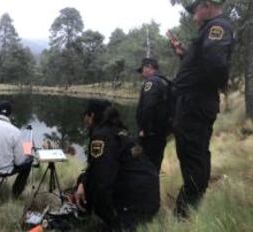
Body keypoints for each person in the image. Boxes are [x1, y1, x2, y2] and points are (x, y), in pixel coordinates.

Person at [169, 0, 234, 217]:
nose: (193, 15)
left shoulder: (218, 26)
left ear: (207, 6)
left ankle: (186, 212)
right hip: (194, 102)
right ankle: (192, 203)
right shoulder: (208, 29)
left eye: (195, 10)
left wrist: (213, 86)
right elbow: (203, 61)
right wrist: (183, 53)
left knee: (192, 155)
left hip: (195, 103)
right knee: (194, 153)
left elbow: (215, 62)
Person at [74, 100, 160, 231]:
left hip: (132, 206)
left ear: (91, 116)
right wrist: (82, 182)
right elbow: (98, 168)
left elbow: (101, 182)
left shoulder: (101, 137)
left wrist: (110, 219)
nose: (84, 121)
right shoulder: (120, 133)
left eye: (85, 116)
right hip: (148, 199)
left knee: (96, 189)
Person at [136, 58, 170, 172]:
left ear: (149, 67)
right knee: (155, 165)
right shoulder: (164, 81)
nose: (142, 73)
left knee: (145, 165)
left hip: (150, 134)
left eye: (143, 70)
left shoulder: (151, 82)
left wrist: (143, 130)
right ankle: (153, 188)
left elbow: (148, 107)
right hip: (161, 132)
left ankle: (145, 189)